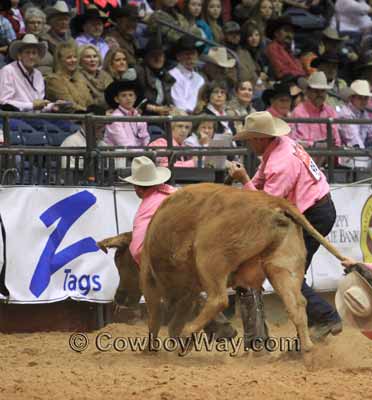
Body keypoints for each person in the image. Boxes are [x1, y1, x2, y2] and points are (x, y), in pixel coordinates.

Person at [228, 111, 343, 342]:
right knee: (290, 274)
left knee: (288, 275)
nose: (249, 144)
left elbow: (267, 206)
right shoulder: (281, 146)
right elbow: (261, 181)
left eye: (250, 139)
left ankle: (326, 317)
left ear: (260, 138)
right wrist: (247, 183)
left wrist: (243, 180)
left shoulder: (281, 162)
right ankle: (317, 324)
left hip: (312, 214)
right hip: (315, 209)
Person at [123, 156, 236, 339]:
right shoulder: (175, 193)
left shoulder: (147, 208)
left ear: (137, 187)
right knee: (191, 290)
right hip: (200, 245)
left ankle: (205, 331)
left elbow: (139, 248)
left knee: (183, 292)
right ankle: (217, 328)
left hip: (169, 257)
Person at [0, 34, 62, 112]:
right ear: (19, 55)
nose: (31, 56)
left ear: (38, 56)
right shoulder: (8, 71)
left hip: (36, 115)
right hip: (16, 116)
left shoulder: (38, 74)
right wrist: (31, 105)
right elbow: (3, 102)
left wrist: (52, 106)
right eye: (27, 53)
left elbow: (39, 104)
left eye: (34, 53)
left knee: (69, 123)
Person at [290, 71, 341, 147]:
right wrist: (315, 145)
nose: (320, 94)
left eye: (323, 91)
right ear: (308, 92)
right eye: (316, 91)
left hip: (329, 155)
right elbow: (293, 139)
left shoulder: (330, 112)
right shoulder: (298, 112)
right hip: (306, 154)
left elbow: (337, 138)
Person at [45, 40, 94, 113]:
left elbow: (90, 103)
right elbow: (69, 105)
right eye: (69, 58)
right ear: (60, 60)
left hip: (87, 118)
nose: (73, 60)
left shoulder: (80, 78)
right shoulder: (54, 80)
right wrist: (91, 113)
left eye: (75, 57)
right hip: (67, 120)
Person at [135, 37, 175, 116]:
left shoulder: (166, 76)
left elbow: (168, 101)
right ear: (146, 57)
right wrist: (154, 109)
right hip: (143, 117)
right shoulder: (137, 72)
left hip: (162, 116)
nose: (157, 58)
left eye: (160, 55)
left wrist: (170, 108)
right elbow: (130, 98)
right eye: (153, 55)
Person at [103, 80, 150, 147]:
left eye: (131, 95)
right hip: (118, 155)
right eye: (124, 95)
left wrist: (146, 152)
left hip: (139, 154)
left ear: (135, 98)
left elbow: (145, 137)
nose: (128, 98)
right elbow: (122, 143)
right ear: (116, 99)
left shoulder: (138, 116)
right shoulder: (114, 118)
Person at [168, 36, 205, 113]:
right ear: (178, 56)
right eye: (187, 54)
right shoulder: (172, 75)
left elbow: (203, 100)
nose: (190, 57)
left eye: (193, 54)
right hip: (181, 117)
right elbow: (179, 103)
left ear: (197, 56)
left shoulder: (200, 79)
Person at [79, 44, 113, 108]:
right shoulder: (79, 78)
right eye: (88, 57)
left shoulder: (106, 75)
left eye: (95, 56)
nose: (92, 60)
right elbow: (89, 102)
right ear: (80, 60)